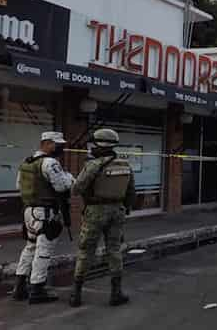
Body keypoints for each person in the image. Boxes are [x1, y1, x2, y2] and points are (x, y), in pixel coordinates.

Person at [70, 128, 135, 308]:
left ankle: (76, 293)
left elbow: (77, 189)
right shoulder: (125, 165)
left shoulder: (93, 164)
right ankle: (116, 293)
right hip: (117, 210)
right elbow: (131, 192)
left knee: (86, 250)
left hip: (95, 210)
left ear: (98, 143)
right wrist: (126, 209)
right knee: (114, 250)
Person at [13, 132, 74, 304]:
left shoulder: (27, 162)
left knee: (30, 247)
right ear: (46, 143)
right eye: (57, 144)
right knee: (43, 249)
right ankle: (37, 288)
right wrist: (69, 177)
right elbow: (62, 186)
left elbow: (18, 185)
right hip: (45, 211)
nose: (61, 148)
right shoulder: (50, 162)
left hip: (28, 211)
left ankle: (19, 287)